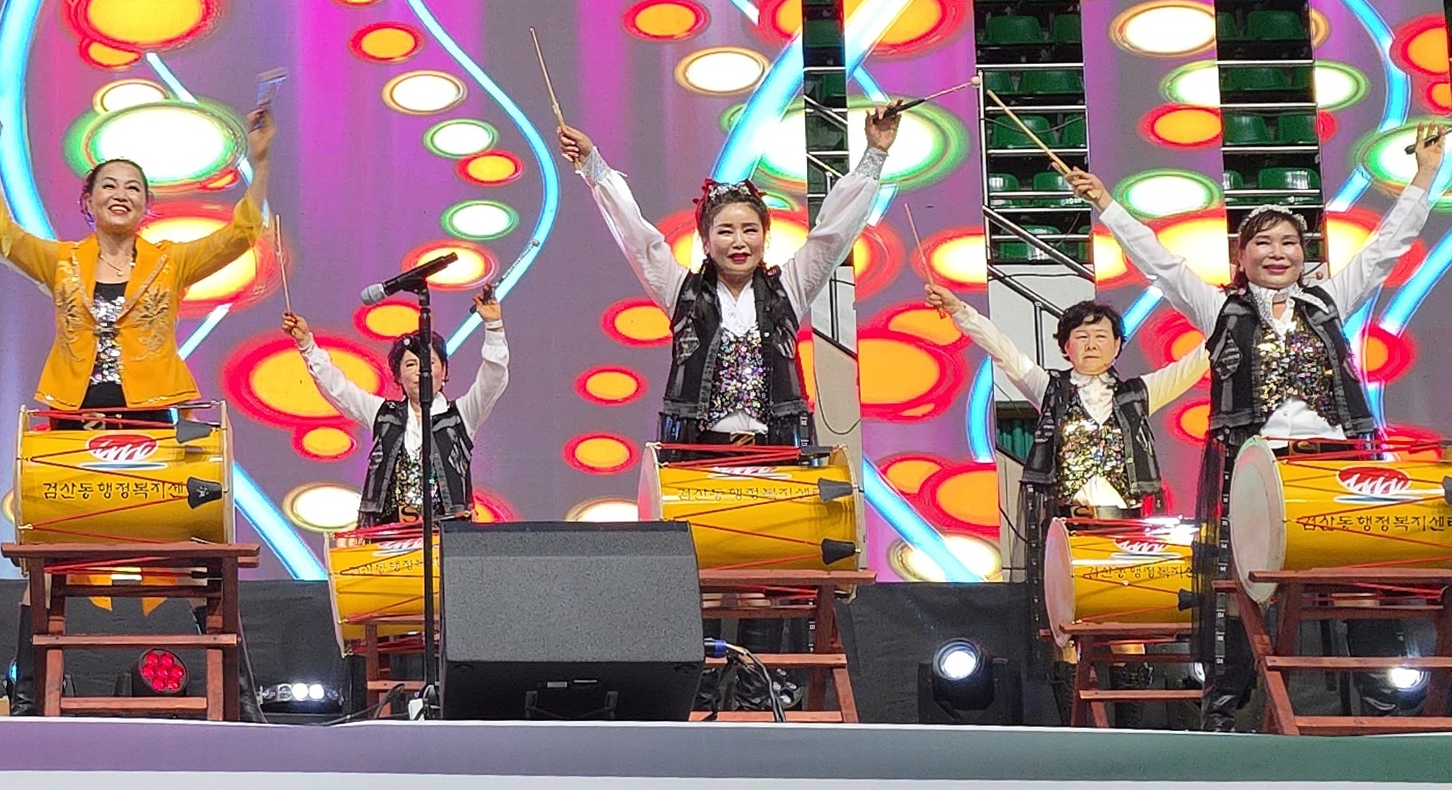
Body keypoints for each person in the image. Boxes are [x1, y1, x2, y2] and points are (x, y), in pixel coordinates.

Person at [1051, 125, 1452, 720]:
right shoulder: (1219, 308)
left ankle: (1379, 685)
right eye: (1262, 242)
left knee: (1359, 568)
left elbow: (1387, 246)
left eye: (1289, 242)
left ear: (1304, 254)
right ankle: (1228, 698)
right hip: (1252, 472)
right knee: (1237, 583)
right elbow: (1158, 262)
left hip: (1331, 466)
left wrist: (1424, 174)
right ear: (1242, 257)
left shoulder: (1329, 300)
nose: (1277, 252)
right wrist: (1107, 203)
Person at [552, 111, 898, 449]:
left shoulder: (790, 289)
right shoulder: (682, 292)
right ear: (705, 241)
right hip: (697, 456)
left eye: (749, 230)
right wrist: (593, 165)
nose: (739, 242)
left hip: (777, 454)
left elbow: (833, 235)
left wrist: (876, 153)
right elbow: (639, 238)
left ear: (765, 237)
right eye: (726, 231)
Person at [0, 100, 274, 413]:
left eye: (132, 188)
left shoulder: (170, 262)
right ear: (89, 202)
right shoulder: (62, 261)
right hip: (75, 416)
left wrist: (261, 160)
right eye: (109, 186)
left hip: (148, 415)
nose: (120, 195)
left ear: (145, 205)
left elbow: (242, 233)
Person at [921, 286, 1209, 523]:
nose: (1091, 345)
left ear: (1117, 346)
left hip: (1127, 526)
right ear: (1066, 347)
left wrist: (1225, 320)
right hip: (1066, 526)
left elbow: (1195, 363)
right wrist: (959, 310)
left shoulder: (1139, 394)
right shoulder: (1049, 389)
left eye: (1101, 337)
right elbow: (1002, 349)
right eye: (1081, 337)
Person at [284, 294, 510, 525]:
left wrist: (493, 325)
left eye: (430, 363)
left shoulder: (462, 415)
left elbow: (493, 379)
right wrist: (307, 345)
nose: (421, 371)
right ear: (399, 376)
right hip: (387, 535)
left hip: (447, 536)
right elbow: (337, 389)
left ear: (444, 371)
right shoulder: (383, 414)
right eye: (411, 364)